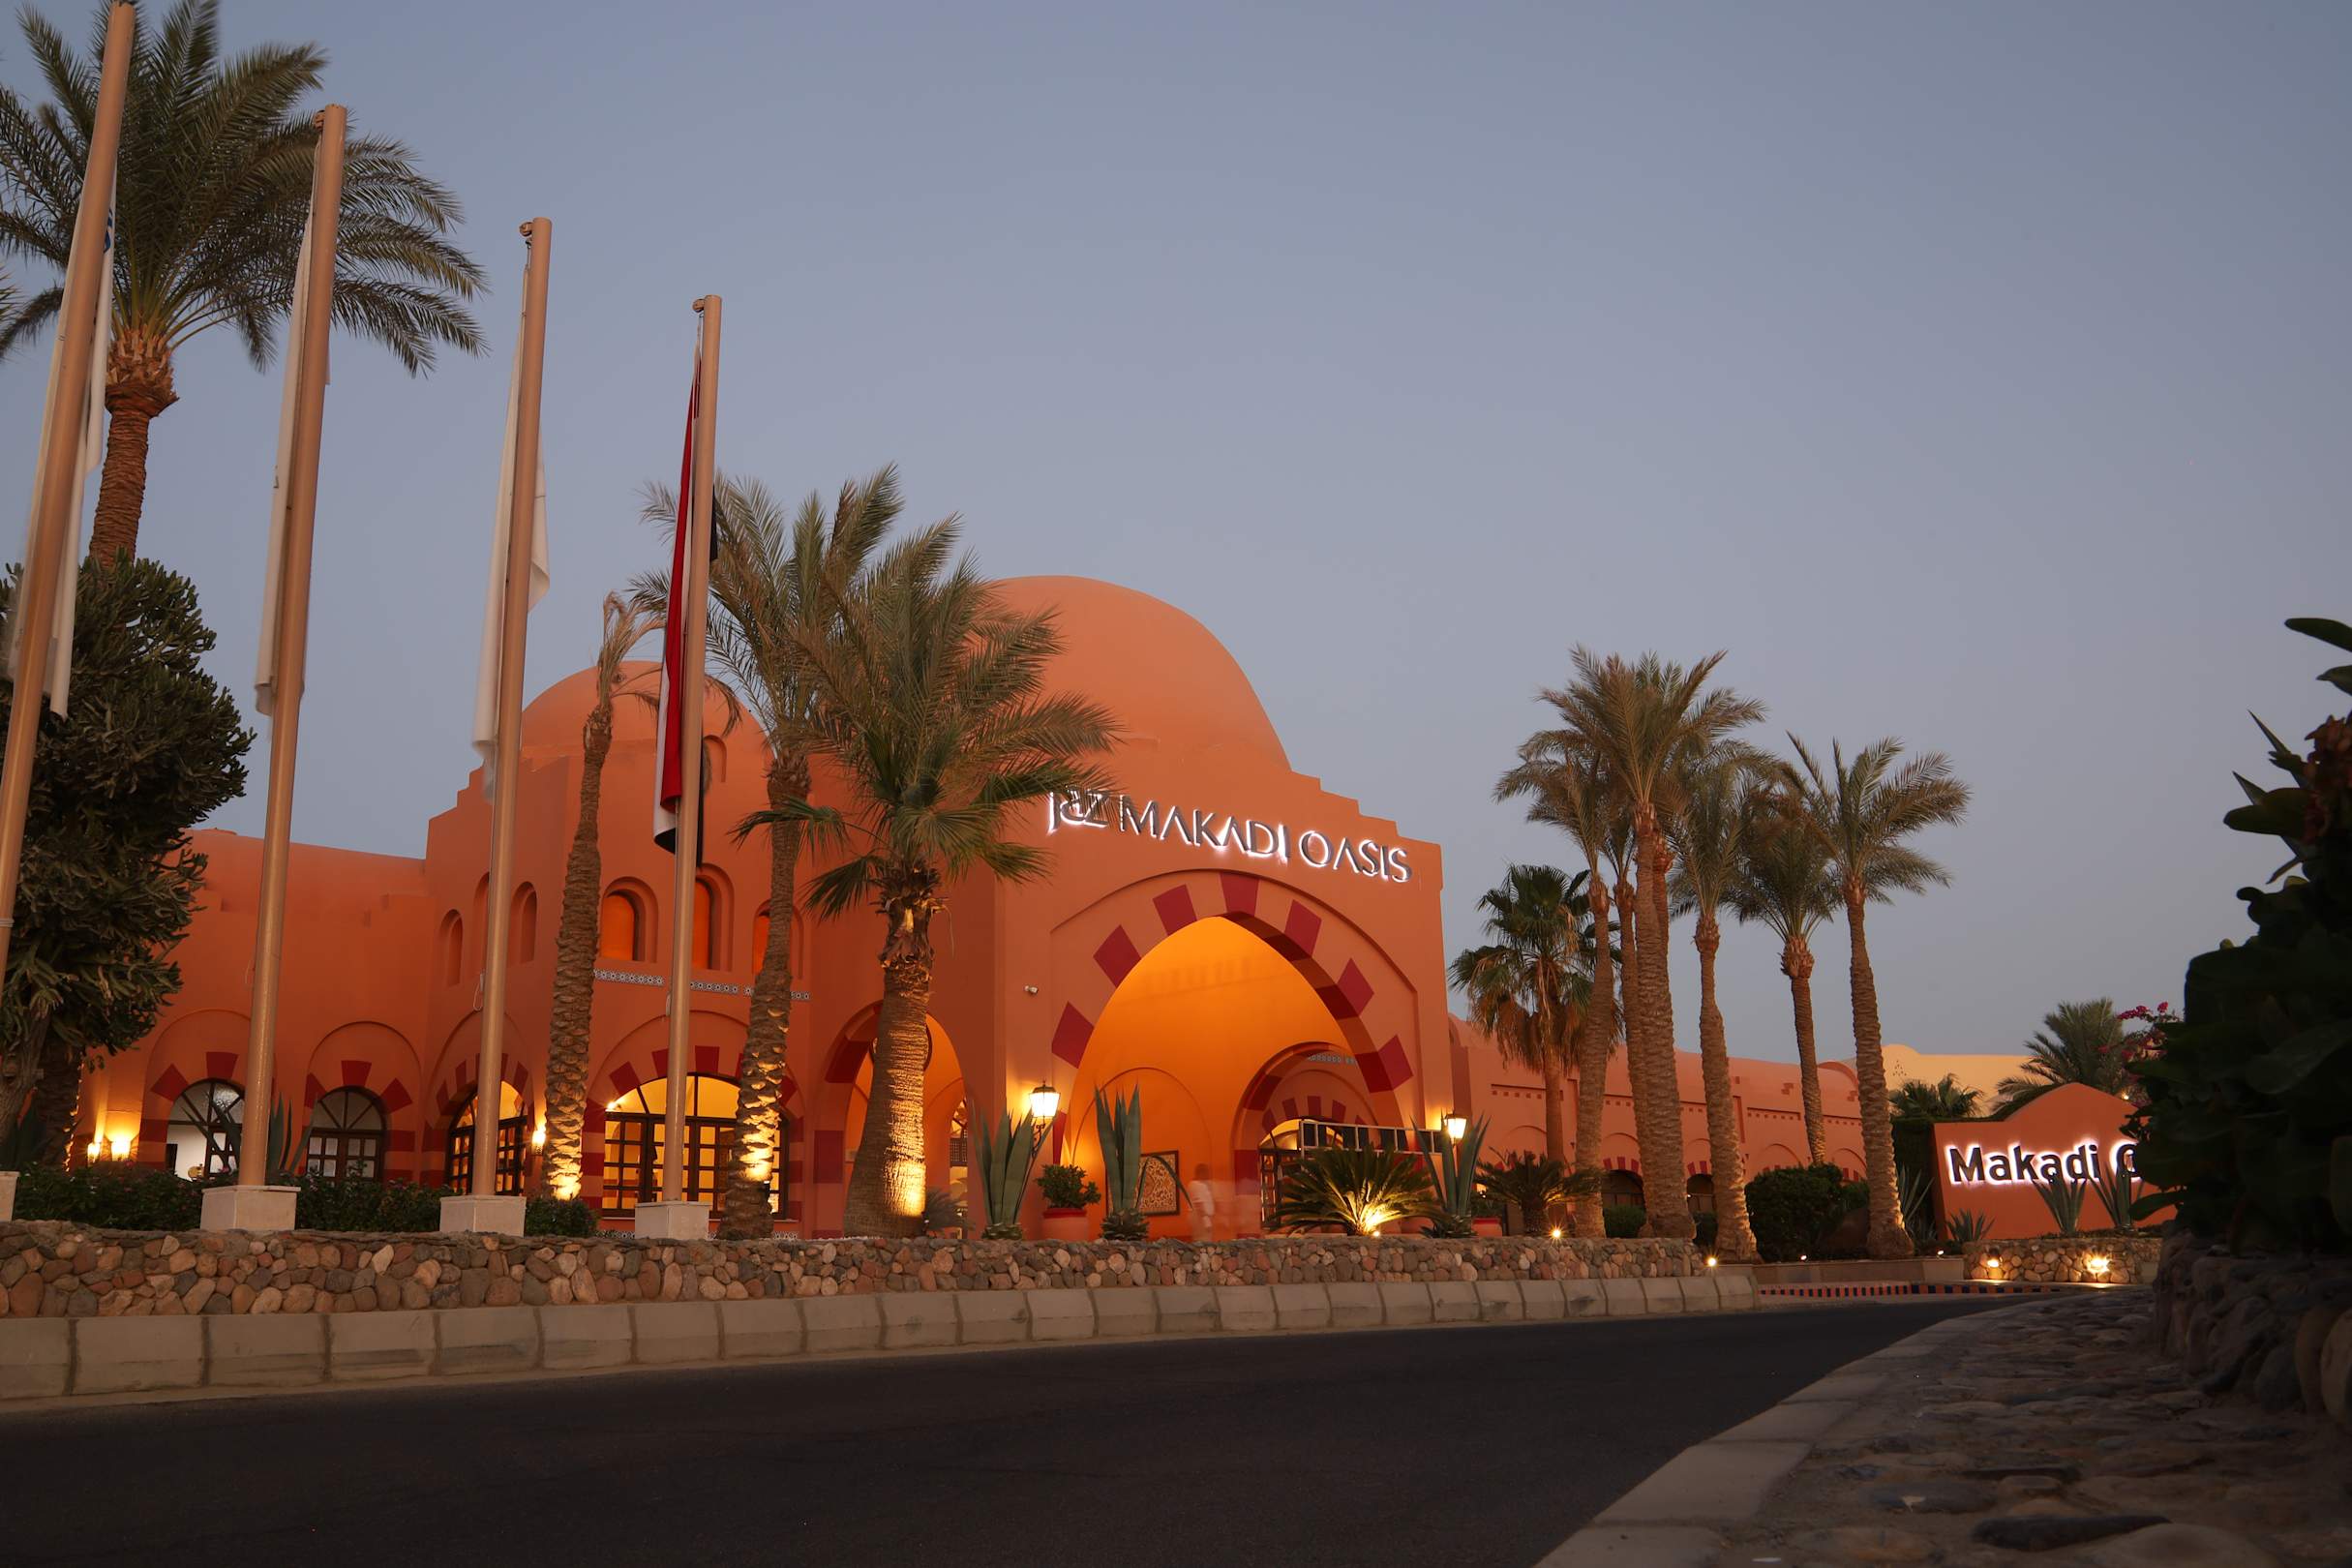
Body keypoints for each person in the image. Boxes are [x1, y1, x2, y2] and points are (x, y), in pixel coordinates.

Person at [1185, 1161, 1216, 1242]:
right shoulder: (1197, 1186)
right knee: (1204, 1242)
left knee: (1200, 1242)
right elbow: (1199, 1205)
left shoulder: (1194, 1185)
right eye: (1207, 1173)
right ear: (1201, 1173)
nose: (1208, 1175)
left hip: (1199, 1219)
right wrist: (1207, 1223)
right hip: (1201, 1221)